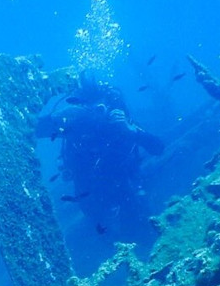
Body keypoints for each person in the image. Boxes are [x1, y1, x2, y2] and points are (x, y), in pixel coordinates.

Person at [37, 71, 164, 239]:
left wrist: (132, 131)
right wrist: (56, 118)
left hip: (125, 184)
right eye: (88, 108)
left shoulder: (120, 124)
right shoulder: (74, 124)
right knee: (99, 229)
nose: (95, 113)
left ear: (109, 105)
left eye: (99, 107)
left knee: (137, 221)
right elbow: (36, 129)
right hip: (91, 192)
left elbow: (158, 147)